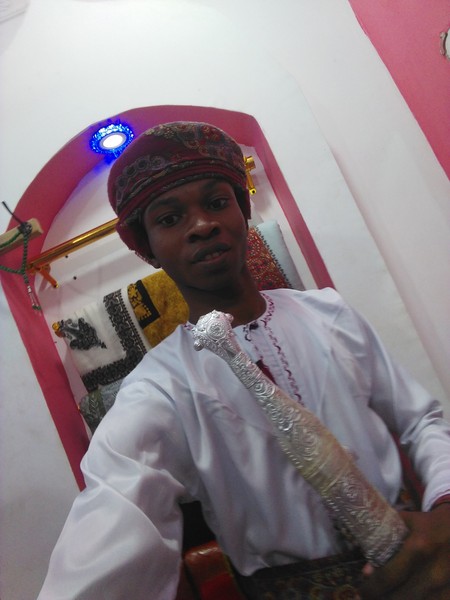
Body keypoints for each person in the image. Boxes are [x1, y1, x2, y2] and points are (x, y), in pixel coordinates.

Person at [38, 122, 450, 599]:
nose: (202, 225)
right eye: (169, 218)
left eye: (217, 202)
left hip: (424, 571)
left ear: (242, 209)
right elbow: (113, 513)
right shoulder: (159, 387)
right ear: (148, 248)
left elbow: (421, 420)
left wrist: (445, 512)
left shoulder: (329, 313)